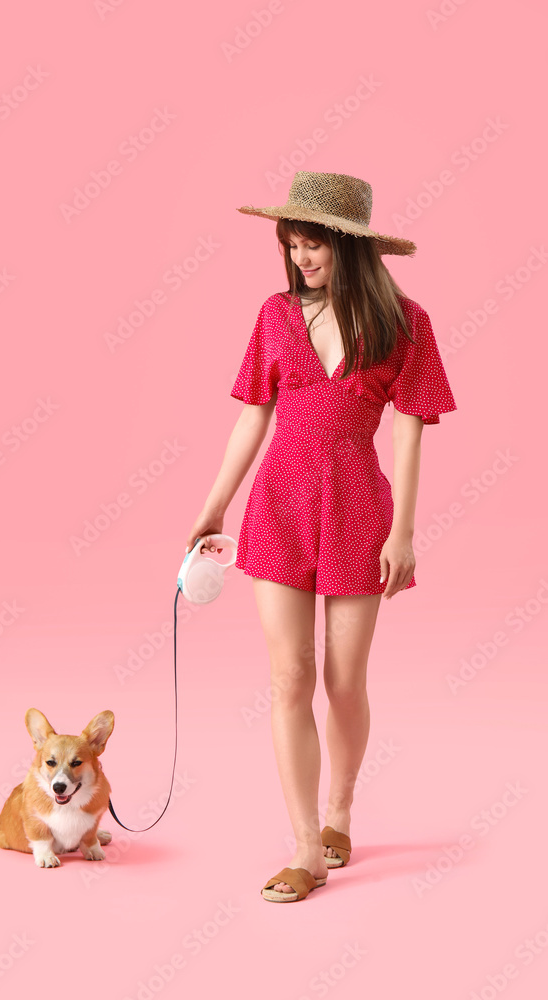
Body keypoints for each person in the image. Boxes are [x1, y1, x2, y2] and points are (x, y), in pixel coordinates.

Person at [185, 171, 457, 903]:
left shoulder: (405, 323)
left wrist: (403, 531)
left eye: (314, 245)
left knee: (342, 681)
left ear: (350, 246)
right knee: (288, 681)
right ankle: (305, 846)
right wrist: (213, 506)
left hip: (359, 509)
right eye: (293, 244)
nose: (301, 258)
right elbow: (252, 416)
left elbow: (409, 431)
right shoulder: (275, 315)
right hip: (277, 505)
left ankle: (339, 813)